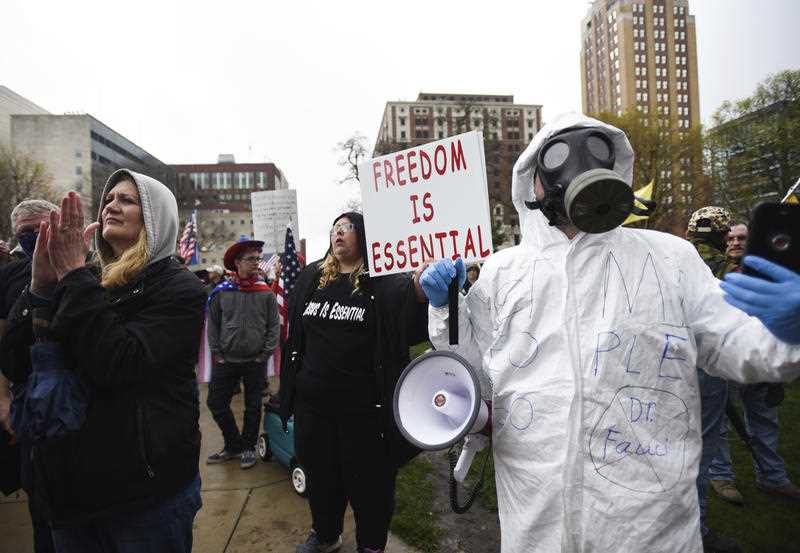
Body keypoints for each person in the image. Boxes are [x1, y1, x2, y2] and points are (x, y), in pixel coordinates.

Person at [419, 112, 800, 553]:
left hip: (646, 526)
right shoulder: (506, 270)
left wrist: (788, 332)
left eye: (595, 152)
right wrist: (445, 307)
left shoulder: (670, 259)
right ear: (533, 184)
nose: (577, 169)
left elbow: (739, 347)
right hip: (535, 518)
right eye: (558, 158)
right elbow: (471, 371)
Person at [0, 170, 206, 552]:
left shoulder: (178, 289)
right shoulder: (82, 277)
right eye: (109, 198)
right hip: (68, 492)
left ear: (154, 216)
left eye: (127, 200)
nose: (112, 204)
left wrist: (74, 276)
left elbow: (121, 364)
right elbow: (15, 361)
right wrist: (41, 288)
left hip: (143, 497)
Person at [280, 212, 428, 553]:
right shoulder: (312, 277)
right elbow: (297, 338)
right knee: (321, 479)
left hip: (364, 414)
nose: (338, 234)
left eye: (346, 228)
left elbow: (412, 329)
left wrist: (420, 291)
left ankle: (372, 545)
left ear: (363, 235)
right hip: (313, 408)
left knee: (370, 488)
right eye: (334, 228)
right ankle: (327, 534)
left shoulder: (383, 281)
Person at [708, 221, 800, 505]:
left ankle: (773, 477)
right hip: (727, 362)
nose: (735, 242)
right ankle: (722, 476)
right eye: (730, 238)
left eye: (742, 238)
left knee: (764, 421)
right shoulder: (711, 273)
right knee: (720, 423)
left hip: (766, 358)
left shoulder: (773, 273)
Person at [0, 199, 58, 553]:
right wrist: (3, 398)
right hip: (27, 402)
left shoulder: (90, 267)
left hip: (83, 405)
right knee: (42, 503)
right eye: (26, 232)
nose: (35, 237)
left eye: (42, 228)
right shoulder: (8, 276)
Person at [685, 206, 740, 553]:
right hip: (707, 365)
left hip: (669, 363)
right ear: (722, 236)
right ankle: (698, 530)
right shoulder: (725, 270)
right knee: (701, 450)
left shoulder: (672, 259)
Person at [206, 239, 279, 469]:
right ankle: (233, 444)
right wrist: (218, 353)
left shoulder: (265, 292)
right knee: (216, 403)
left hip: (255, 361)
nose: (257, 263)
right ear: (237, 262)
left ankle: (248, 447)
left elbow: (273, 326)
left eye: (258, 258)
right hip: (226, 360)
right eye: (251, 259)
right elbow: (213, 325)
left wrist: (264, 354)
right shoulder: (221, 293)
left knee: (253, 406)